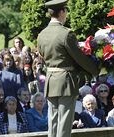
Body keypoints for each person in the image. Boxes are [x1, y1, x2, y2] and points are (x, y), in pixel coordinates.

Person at [37, 0, 99, 136]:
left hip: (50, 80)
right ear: (62, 12)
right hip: (65, 81)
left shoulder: (42, 34)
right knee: (64, 122)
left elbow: (42, 57)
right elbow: (79, 58)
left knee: (53, 122)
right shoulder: (66, 34)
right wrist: (95, 69)